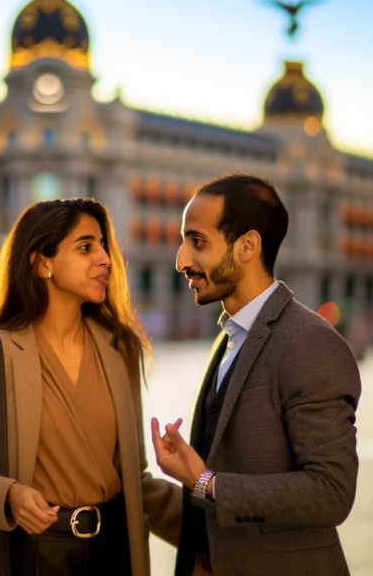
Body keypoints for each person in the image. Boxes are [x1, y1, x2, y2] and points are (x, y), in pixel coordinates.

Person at [0, 198, 182, 576]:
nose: (105, 258)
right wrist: (7, 495)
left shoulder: (120, 348)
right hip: (32, 554)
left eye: (103, 245)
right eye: (85, 247)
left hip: (114, 552)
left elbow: (133, 480)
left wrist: (213, 524)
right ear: (42, 261)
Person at [151, 174, 361, 576]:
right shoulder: (230, 333)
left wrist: (205, 482)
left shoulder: (310, 343)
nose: (181, 260)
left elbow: (331, 492)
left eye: (197, 242)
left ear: (247, 246)